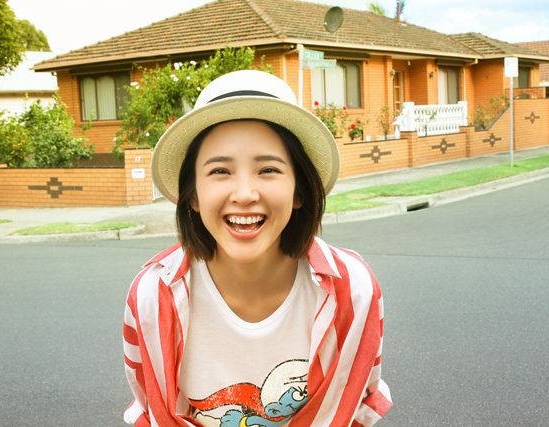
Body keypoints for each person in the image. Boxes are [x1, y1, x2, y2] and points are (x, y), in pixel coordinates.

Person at [122, 70, 391, 426]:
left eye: (268, 170)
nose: (245, 194)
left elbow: (356, 404)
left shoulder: (354, 291)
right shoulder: (151, 297)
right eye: (220, 171)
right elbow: (152, 411)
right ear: (193, 196)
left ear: (299, 191)